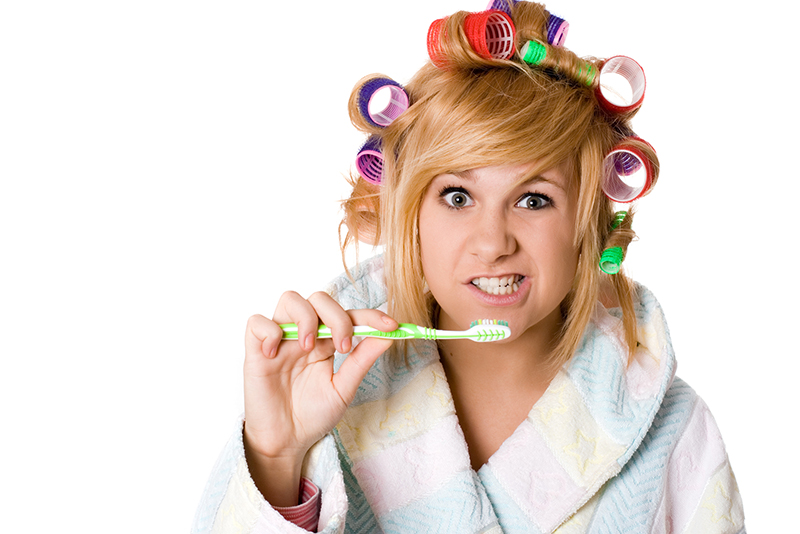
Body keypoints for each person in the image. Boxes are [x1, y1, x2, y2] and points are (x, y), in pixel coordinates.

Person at [192, 1, 745, 532]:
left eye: (534, 199)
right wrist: (276, 456)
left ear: (587, 222)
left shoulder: (675, 436)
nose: (492, 242)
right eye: (457, 197)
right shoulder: (319, 388)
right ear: (410, 215)